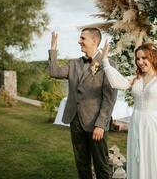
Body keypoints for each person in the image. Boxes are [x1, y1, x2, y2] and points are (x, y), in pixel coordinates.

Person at [102, 42, 157, 179]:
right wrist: (105, 61)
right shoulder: (135, 79)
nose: (140, 62)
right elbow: (116, 82)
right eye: (138, 59)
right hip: (137, 124)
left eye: (144, 58)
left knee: (154, 159)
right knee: (138, 160)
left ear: (153, 58)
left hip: (154, 125)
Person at [48, 28, 117, 179]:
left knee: (101, 165)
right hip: (75, 120)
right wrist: (53, 49)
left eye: (83, 38)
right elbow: (54, 72)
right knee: (82, 164)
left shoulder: (107, 64)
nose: (79, 41)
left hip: (95, 124)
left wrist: (100, 124)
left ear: (94, 41)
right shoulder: (74, 64)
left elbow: (109, 98)